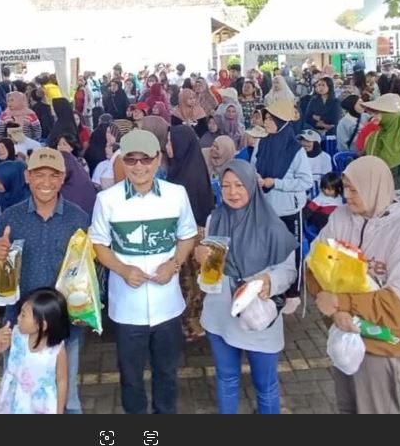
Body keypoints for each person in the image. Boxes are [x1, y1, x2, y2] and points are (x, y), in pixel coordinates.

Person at [308, 156, 400, 414]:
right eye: (345, 188)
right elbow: (314, 265)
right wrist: (336, 309)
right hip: (344, 335)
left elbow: (399, 305)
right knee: (348, 409)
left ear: (376, 188)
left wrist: (341, 302)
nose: (347, 196)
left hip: (384, 345)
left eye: (355, 189)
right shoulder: (342, 218)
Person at [90, 130, 198, 414]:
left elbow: (188, 236)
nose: (139, 167)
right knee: (131, 378)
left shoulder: (176, 195)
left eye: (145, 159)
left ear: (158, 159)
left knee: (167, 374)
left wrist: (174, 264)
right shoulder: (107, 200)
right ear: (122, 161)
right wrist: (123, 269)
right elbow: (99, 244)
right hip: (127, 308)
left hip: (167, 305)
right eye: (131, 160)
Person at [0, 148, 90, 413]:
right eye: (39, 175)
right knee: (19, 391)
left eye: (53, 175)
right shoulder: (12, 216)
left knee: (66, 396)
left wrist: (87, 309)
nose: (46, 182)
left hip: (65, 324)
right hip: (20, 325)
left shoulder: (78, 217)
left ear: (63, 177)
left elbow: (87, 272)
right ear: (27, 176)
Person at [195, 159, 297, 413]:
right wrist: (202, 259)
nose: (232, 193)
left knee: (266, 385)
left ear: (252, 186)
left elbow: (288, 270)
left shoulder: (273, 226)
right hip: (220, 312)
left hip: (258, 314)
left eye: (239, 185)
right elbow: (211, 268)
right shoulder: (214, 219)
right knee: (227, 378)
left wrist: (268, 281)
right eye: (226, 185)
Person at [166, 125, 216, 342]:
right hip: (196, 232)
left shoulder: (184, 177)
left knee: (190, 283)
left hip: (190, 235)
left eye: (170, 142)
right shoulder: (189, 165)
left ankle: (193, 326)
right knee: (195, 282)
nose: (167, 146)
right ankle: (198, 323)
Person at [0, 288, 70, 414]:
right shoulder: (15, 334)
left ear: (42, 325)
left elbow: (62, 380)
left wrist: (59, 411)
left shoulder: (56, 350)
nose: (18, 318)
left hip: (40, 405)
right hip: (13, 399)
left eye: (23, 315)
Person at [253, 99, 313, 235]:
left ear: (280, 122)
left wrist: (276, 183)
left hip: (289, 210)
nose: (266, 122)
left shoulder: (295, 150)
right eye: (266, 118)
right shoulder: (262, 143)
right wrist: (257, 177)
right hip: (265, 207)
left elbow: (306, 181)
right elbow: (253, 167)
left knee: (291, 252)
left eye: (271, 119)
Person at [357, 94, 400, 190]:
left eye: (378, 112)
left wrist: (386, 184)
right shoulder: (373, 136)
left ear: (390, 115)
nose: (374, 116)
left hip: (396, 195)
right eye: (374, 112)